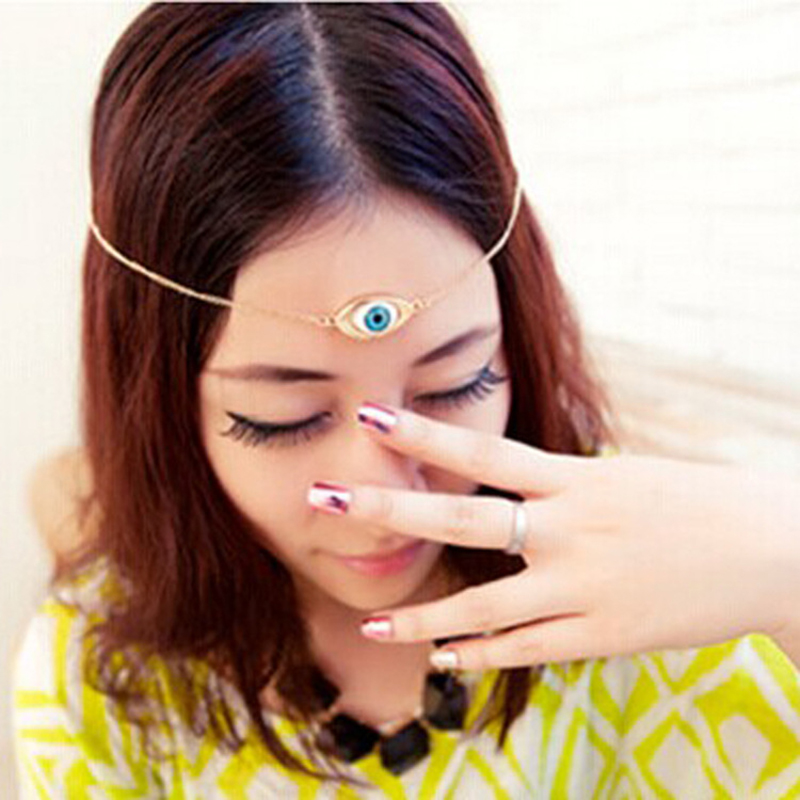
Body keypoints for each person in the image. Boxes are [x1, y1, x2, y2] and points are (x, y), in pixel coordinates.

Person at [11, 3, 800, 797]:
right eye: (283, 420)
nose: (381, 498)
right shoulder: (97, 683)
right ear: (159, 398)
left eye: (456, 384)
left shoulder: (657, 587)